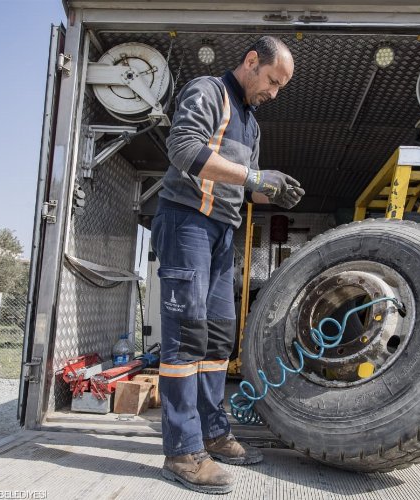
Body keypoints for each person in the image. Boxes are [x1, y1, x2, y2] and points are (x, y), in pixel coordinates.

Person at [151, 36, 303, 494]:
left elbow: (244, 185)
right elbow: (183, 151)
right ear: (252, 61)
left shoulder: (252, 124)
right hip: (186, 224)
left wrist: (272, 190)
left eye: (281, 87)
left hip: (221, 233)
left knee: (217, 339)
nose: (274, 92)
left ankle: (214, 434)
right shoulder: (207, 92)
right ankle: (182, 452)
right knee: (186, 338)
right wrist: (256, 177)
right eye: (272, 81)